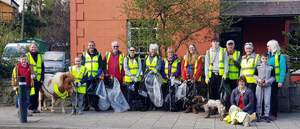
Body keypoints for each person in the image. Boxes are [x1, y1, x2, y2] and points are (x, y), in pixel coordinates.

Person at [267, 39, 286, 120]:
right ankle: (267, 113)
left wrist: (280, 81)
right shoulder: (267, 56)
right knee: (267, 97)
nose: (267, 47)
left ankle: (274, 114)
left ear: (272, 46)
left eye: (268, 46)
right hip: (268, 80)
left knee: (273, 97)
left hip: (275, 81)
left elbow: (283, 69)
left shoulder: (280, 56)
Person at [81, 41, 103, 111]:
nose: (91, 47)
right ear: (88, 46)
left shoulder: (98, 54)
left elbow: (101, 65)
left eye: (92, 45)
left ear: (94, 46)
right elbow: (82, 65)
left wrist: (98, 74)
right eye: (90, 45)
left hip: (95, 77)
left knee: (96, 93)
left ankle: (96, 106)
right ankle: (86, 106)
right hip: (86, 77)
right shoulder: (84, 54)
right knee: (85, 93)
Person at [253, 53, 275, 123]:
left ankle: (266, 115)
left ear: (268, 59)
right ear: (261, 59)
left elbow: (273, 77)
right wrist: (258, 79)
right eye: (263, 59)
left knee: (267, 101)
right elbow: (254, 75)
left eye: (266, 59)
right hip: (259, 86)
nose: (265, 60)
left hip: (267, 86)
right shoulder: (258, 67)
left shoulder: (271, 67)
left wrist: (268, 81)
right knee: (259, 101)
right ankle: (259, 115)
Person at [181, 44, 202, 113]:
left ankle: (194, 107)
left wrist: (195, 79)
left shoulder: (198, 57)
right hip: (187, 78)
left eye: (193, 48)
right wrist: (184, 78)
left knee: (194, 94)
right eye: (190, 48)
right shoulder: (185, 57)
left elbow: (199, 69)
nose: (191, 49)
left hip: (194, 79)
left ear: (195, 48)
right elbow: (183, 68)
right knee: (187, 94)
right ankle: (188, 107)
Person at [142, 43, 162, 110]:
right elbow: (144, 66)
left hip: (154, 76)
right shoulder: (147, 57)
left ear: (156, 51)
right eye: (152, 49)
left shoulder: (158, 58)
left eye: (154, 50)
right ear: (150, 50)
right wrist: (143, 74)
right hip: (147, 76)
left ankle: (154, 105)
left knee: (154, 91)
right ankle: (148, 105)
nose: (153, 51)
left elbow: (159, 66)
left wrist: (154, 71)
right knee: (148, 91)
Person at [26, 42, 44, 113]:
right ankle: (30, 108)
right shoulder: (27, 56)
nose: (33, 48)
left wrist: (42, 77)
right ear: (29, 48)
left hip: (38, 79)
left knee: (36, 94)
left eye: (35, 47)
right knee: (31, 94)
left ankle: (35, 108)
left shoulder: (40, 56)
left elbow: (42, 68)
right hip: (30, 79)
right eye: (32, 47)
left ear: (37, 48)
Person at [123, 47, 142, 111]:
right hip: (129, 79)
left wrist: (136, 76)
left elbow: (140, 68)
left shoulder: (138, 58)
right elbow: (125, 68)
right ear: (129, 51)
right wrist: (130, 75)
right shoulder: (126, 59)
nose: (132, 51)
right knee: (129, 93)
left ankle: (136, 106)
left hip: (137, 79)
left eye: (133, 50)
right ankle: (129, 106)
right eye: (131, 50)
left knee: (136, 93)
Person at [225, 40, 241, 111]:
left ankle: (235, 109)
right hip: (226, 77)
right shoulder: (224, 53)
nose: (230, 46)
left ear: (234, 46)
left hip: (235, 78)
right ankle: (228, 109)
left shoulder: (238, 54)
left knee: (235, 94)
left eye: (232, 45)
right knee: (227, 95)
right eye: (229, 45)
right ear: (226, 46)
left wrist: (233, 60)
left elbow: (240, 65)